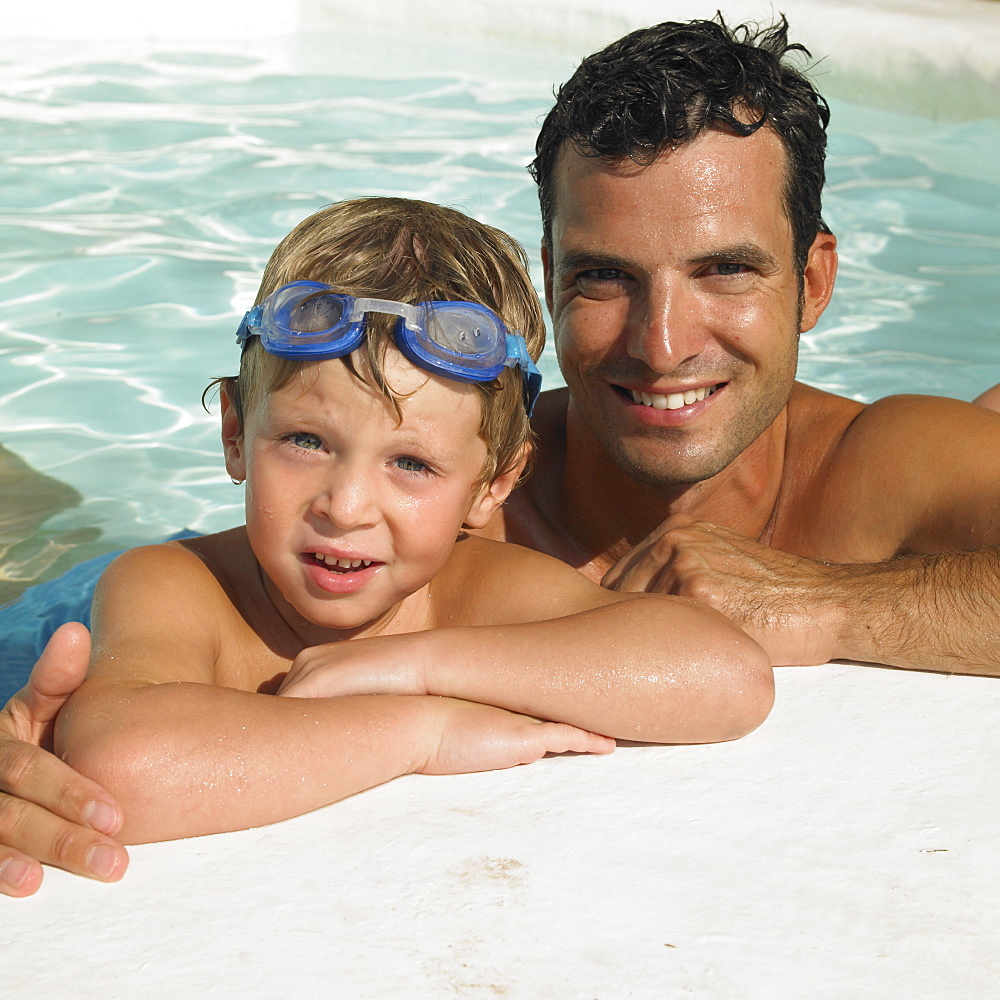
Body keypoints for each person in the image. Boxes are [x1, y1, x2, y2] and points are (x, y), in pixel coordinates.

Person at [4, 12, 999, 891]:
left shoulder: (889, 467)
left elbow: (714, 671)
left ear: (814, 281)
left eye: (725, 271)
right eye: (605, 277)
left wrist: (814, 603)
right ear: (553, 277)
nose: (663, 345)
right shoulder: (442, 457)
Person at [44, 196, 770, 847]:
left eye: (412, 465)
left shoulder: (476, 592)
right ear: (236, 433)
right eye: (305, 441)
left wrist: (417, 666)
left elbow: (725, 677)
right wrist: (422, 729)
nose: (346, 507)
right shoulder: (177, 585)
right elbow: (120, 771)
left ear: (494, 484)